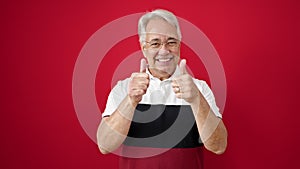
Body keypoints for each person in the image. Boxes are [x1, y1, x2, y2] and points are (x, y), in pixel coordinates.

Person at [97, 9, 227, 169]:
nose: (164, 50)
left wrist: (196, 99)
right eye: (155, 43)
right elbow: (104, 145)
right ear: (143, 47)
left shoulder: (199, 88)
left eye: (171, 42)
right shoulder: (124, 89)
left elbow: (219, 146)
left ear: (179, 44)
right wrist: (131, 101)